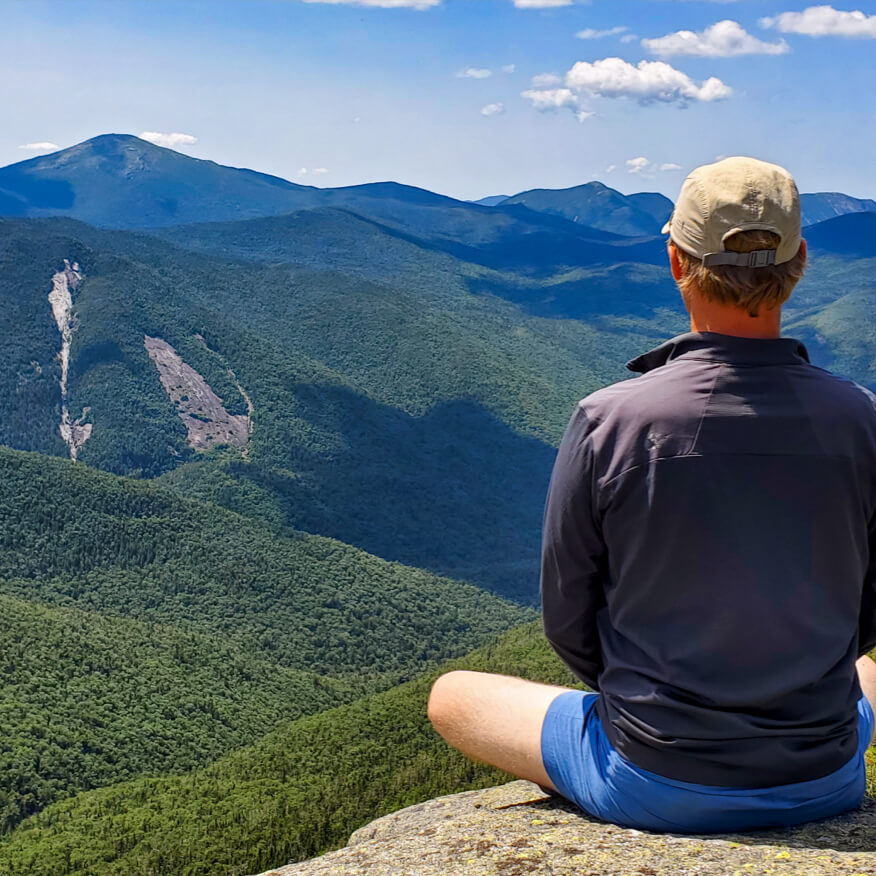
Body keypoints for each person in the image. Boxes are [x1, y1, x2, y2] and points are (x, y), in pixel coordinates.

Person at [427, 156, 876, 833]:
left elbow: (568, 617)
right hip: (824, 775)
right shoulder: (862, 418)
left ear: (676, 261)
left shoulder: (611, 420)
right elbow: (866, 612)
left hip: (657, 777)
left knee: (451, 695)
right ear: (801, 261)